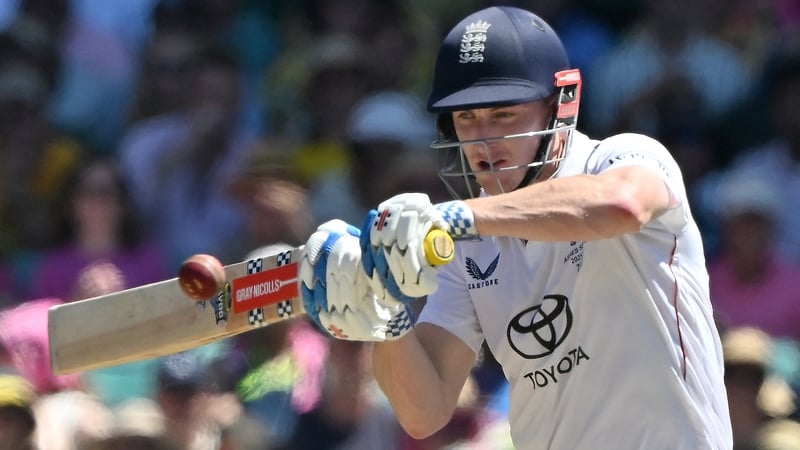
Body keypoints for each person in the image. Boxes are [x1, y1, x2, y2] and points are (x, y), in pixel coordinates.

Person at [298, 6, 732, 449]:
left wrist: (458, 217)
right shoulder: (464, 247)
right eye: (466, 118)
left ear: (562, 103)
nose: (483, 139)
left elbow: (621, 205)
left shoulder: (622, 156)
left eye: (503, 113)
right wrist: (384, 317)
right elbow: (423, 412)